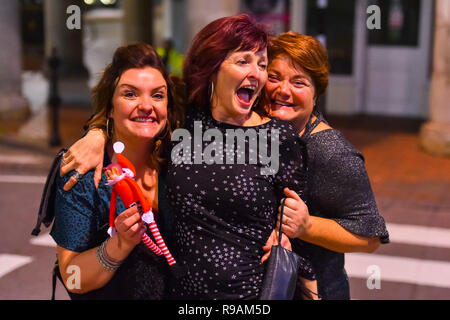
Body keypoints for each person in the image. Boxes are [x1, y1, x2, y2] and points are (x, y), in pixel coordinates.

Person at [59, 14, 313, 300]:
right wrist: (96, 134)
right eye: (243, 61)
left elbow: (297, 222)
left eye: (262, 65)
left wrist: (288, 231)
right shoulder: (186, 123)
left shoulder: (280, 138)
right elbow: (138, 115)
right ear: (213, 67)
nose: (256, 73)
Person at [261, 31, 390, 299]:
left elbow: (371, 237)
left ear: (316, 91)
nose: (282, 90)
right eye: (273, 77)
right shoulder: (264, 131)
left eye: (299, 82)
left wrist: (307, 226)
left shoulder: (331, 151)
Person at [50, 43, 182, 299]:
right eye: (130, 94)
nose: (146, 105)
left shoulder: (179, 164)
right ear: (109, 108)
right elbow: (72, 277)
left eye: (157, 95)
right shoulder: (84, 172)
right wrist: (118, 245)